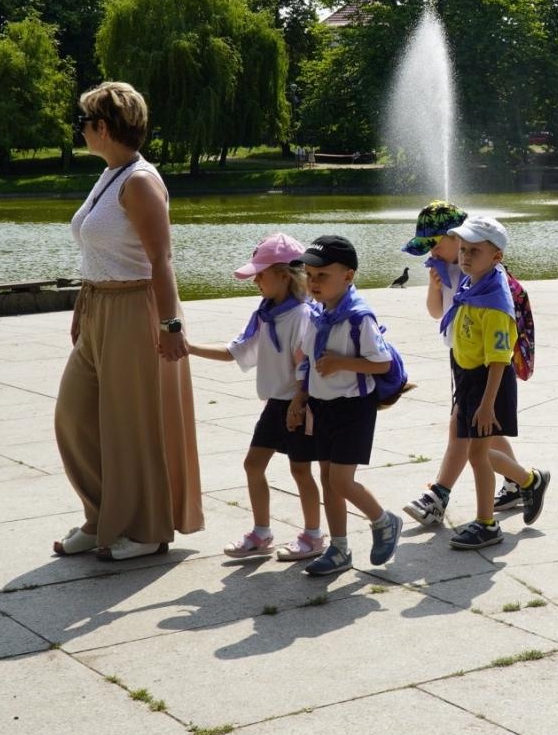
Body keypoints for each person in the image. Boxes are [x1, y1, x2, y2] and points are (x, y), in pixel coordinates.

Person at [53, 82, 203, 562]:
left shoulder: (139, 181)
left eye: (83, 121)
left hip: (136, 308)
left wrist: (170, 325)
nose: (80, 129)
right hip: (99, 306)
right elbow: (97, 252)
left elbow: (162, 259)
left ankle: (146, 529)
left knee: (134, 425)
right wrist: (83, 307)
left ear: (103, 126)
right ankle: (102, 515)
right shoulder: (110, 174)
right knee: (74, 417)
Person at [186, 234, 325, 562]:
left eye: (260, 274)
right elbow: (234, 352)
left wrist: (299, 401)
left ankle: (314, 535)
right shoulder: (266, 315)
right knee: (253, 464)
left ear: (284, 275)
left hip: (298, 404)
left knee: (300, 470)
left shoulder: (302, 315)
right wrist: (188, 348)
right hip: (276, 403)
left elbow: (307, 364)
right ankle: (262, 533)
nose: (255, 281)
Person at [399, 201, 526, 526]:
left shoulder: (481, 276)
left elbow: (498, 339)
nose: (433, 251)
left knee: (464, 433)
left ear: (455, 237)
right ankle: (521, 482)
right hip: (461, 357)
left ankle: (438, 495)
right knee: (483, 430)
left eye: (436, 244)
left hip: (482, 363)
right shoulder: (449, 269)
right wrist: (434, 285)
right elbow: (437, 312)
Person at [289, 235, 404, 576]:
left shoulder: (358, 317)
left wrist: (341, 363)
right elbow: (309, 361)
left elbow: (381, 363)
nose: (313, 282)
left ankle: (384, 521)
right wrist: (299, 398)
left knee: (340, 480)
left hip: (354, 407)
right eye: (310, 275)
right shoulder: (317, 313)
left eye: (322, 275)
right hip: (322, 406)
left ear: (348, 276)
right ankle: (339, 548)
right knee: (328, 480)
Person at [440, 216, 550, 548]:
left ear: (496, 257)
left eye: (474, 251)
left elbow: (500, 358)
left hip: (489, 383)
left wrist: (487, 403)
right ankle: (529, 481)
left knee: (478, 454)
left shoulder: (495, 302)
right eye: (463, 249)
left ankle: (487, 525)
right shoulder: (474, 284)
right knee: (479, 452)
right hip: (470, 380)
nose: (465, 256)